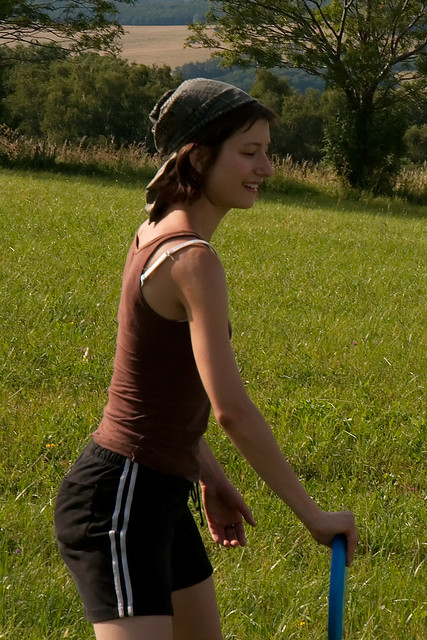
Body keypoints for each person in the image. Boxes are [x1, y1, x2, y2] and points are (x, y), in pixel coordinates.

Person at [54, 78, 358, 640]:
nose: (266, 168)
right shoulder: (192, 260)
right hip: (119, 501)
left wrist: (209, 477)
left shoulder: (155, 230)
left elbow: (158, 390)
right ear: (197, 157)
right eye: (249, 152)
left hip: (157, 492)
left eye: (266, 151)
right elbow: (231, 410)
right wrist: (313, 516)